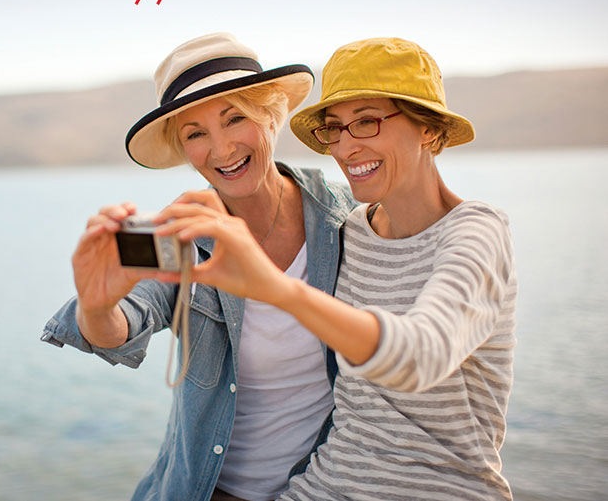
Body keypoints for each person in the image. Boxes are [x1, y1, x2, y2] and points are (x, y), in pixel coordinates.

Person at [154, 37, 518, 501]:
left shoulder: (475, 233)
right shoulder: (351, 230)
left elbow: (421, 357)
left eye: (367, 122)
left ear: (428, 127)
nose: (346, 148)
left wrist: (277, 290)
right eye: (335, 129)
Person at [41, 32, 355, 501]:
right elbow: (123, 323)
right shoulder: (184, 235)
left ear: (270, 116)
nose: (222, 148)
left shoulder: (347, 217)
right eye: (195, 133)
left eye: (235, 119)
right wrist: (96, 303)